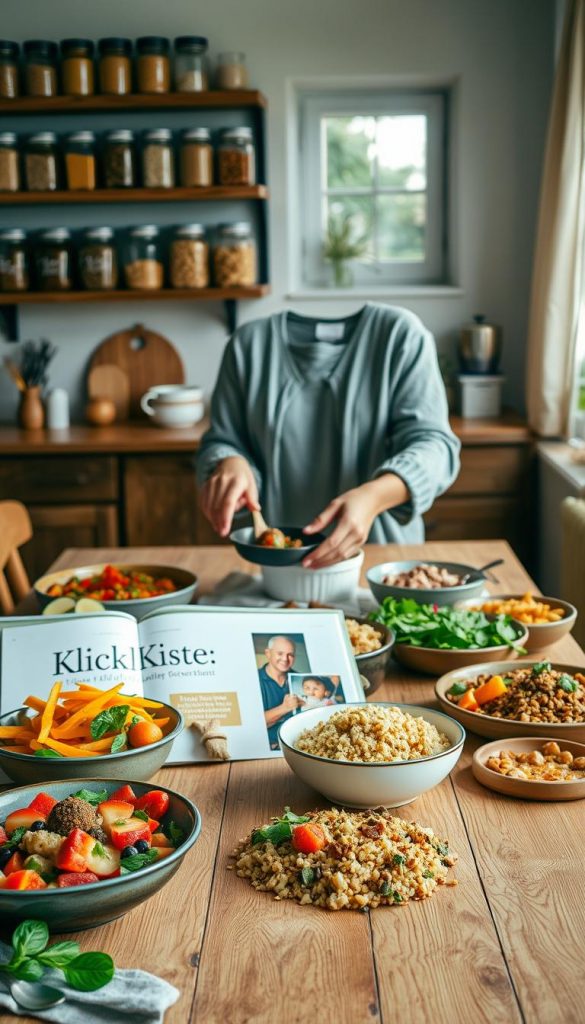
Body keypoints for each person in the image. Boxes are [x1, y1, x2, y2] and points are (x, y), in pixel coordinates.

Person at [197, 304, 460, 567]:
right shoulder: (247, 344)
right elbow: (222, 439)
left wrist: (374, 497)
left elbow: (435, 446)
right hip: (274, 571)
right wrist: (229, 460)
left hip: (383, 568)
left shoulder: (401, 336)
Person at [257, 635, 303, 749]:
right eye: (280, 653)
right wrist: (284, 708)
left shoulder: (300, 678)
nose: (285, 659)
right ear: (268, 653)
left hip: (299, 744)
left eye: (290, 655)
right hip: (269, 747)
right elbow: (253, 723)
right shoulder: (253, 679)